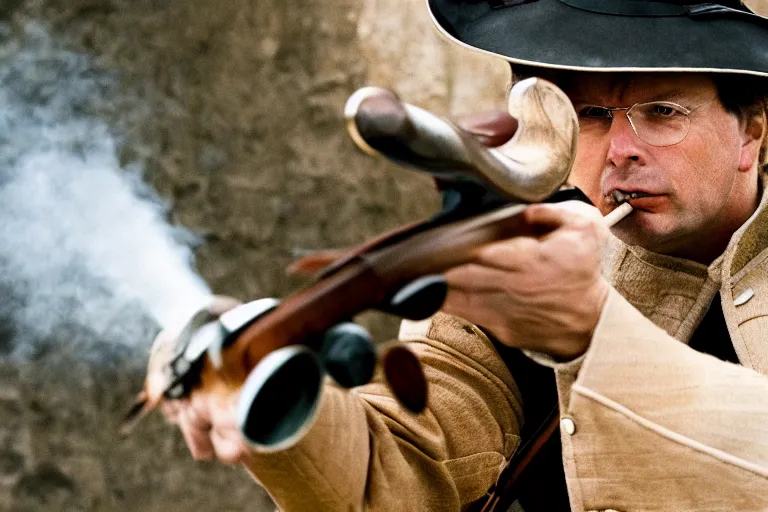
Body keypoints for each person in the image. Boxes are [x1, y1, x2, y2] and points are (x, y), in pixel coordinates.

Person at [152, 0, 768, 510]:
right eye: (592, 115)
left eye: (662, 112)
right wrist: (275, 385)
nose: (621, 150)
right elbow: (401, 468)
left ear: (752, 133)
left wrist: (588, 332)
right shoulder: (532, 255)